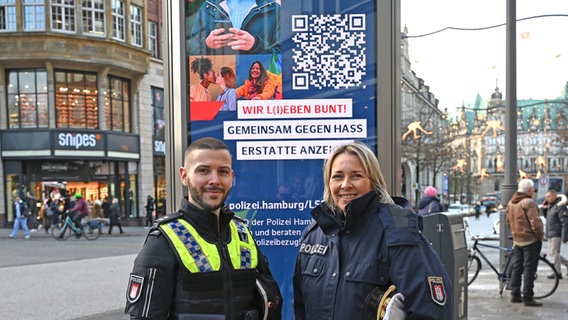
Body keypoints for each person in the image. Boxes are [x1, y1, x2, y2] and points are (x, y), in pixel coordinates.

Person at [125, 137, 282, 319]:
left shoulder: (242, 234)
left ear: (231, 177)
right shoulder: (163, 241)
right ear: (184, 176)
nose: (214, 180)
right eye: (203, 171)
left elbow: (267, 299)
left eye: (222, 172)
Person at [293, 142, 452, 319]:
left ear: (373, 181)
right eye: (337, 176)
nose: (345, 185)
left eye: (356, 176)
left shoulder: (399, 230)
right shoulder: (314, 234)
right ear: (328, 183)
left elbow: (430, 310)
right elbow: (301, 308)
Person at [188, 0, 281, 55]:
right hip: (218, 83)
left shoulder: (274, 10)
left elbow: (285, 59)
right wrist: (206, 45)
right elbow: (190, 53)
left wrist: (256, 45)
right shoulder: (207, 7)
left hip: (260, 84)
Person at [506, 178, 545, 307]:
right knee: (529, 269)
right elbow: (536, 223)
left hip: (517, 240)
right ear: (529, 190)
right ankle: (528, 297)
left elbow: (508, 221)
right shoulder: (528, 202)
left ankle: (515, 294)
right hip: (530, 241)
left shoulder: (511, 203)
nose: (533, 191)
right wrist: (540, 236)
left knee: (518, 267)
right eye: (532, 189)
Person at [541, 190, 568, 279]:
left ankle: (557, 272)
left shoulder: (560, 206)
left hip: (557, 233)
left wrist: (564, 236)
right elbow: (548, 218)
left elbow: (565, 222)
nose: (547, 198)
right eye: (546, 197)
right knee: (552, 253)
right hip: (550, 233)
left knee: (555, 253)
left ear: (555, 196)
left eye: (549, 196)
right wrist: (544, 209)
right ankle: (567, 264)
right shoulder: (551, 207)